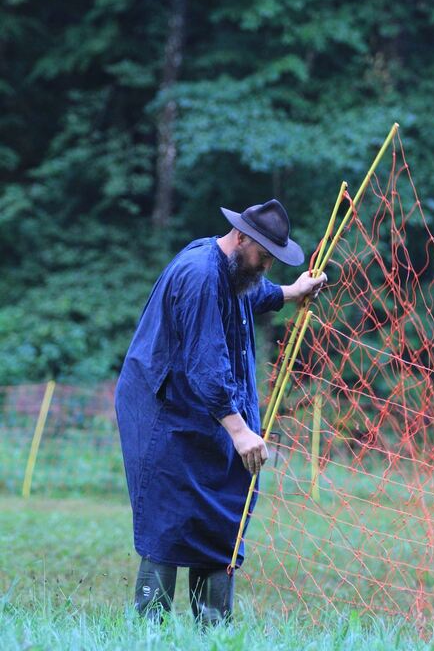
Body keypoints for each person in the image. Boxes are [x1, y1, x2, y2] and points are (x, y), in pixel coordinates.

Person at [115, 198, 326, 626]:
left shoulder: (229, 267)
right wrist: (240, 430)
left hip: (198, 409)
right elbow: (205, 362)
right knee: (168, 518)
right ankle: (147, 630)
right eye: (264, 256)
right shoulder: (199, 274)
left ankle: (214, 630)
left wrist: (290, 293)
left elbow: (248, 294)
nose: (266, 266)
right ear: (243, 237)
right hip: (164, 410)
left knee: (218, 512)